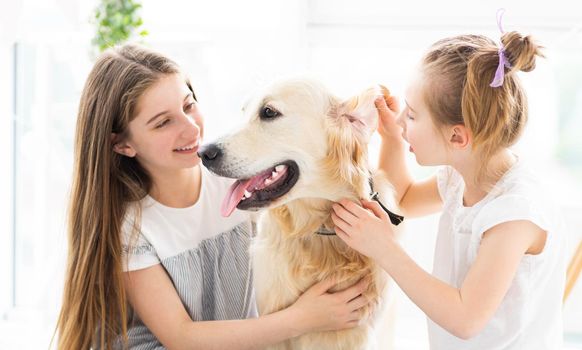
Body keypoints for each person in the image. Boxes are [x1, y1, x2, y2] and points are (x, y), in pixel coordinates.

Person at [55, 44, 370, 350]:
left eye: (189, 105)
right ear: (123, 144)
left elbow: (343, 183)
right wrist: (302, 319)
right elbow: (181, 338)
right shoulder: (132, 226)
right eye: (164, 122)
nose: (191, 128)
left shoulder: (241, 182)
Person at [331, 28, 567, 349]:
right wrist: (392, 139)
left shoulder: (514, 213)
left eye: (411, 115)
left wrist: (385, 249)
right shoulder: (464, 174)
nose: (401, 119)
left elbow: (465, 318)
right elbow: (404, 199)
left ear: (457, 137)